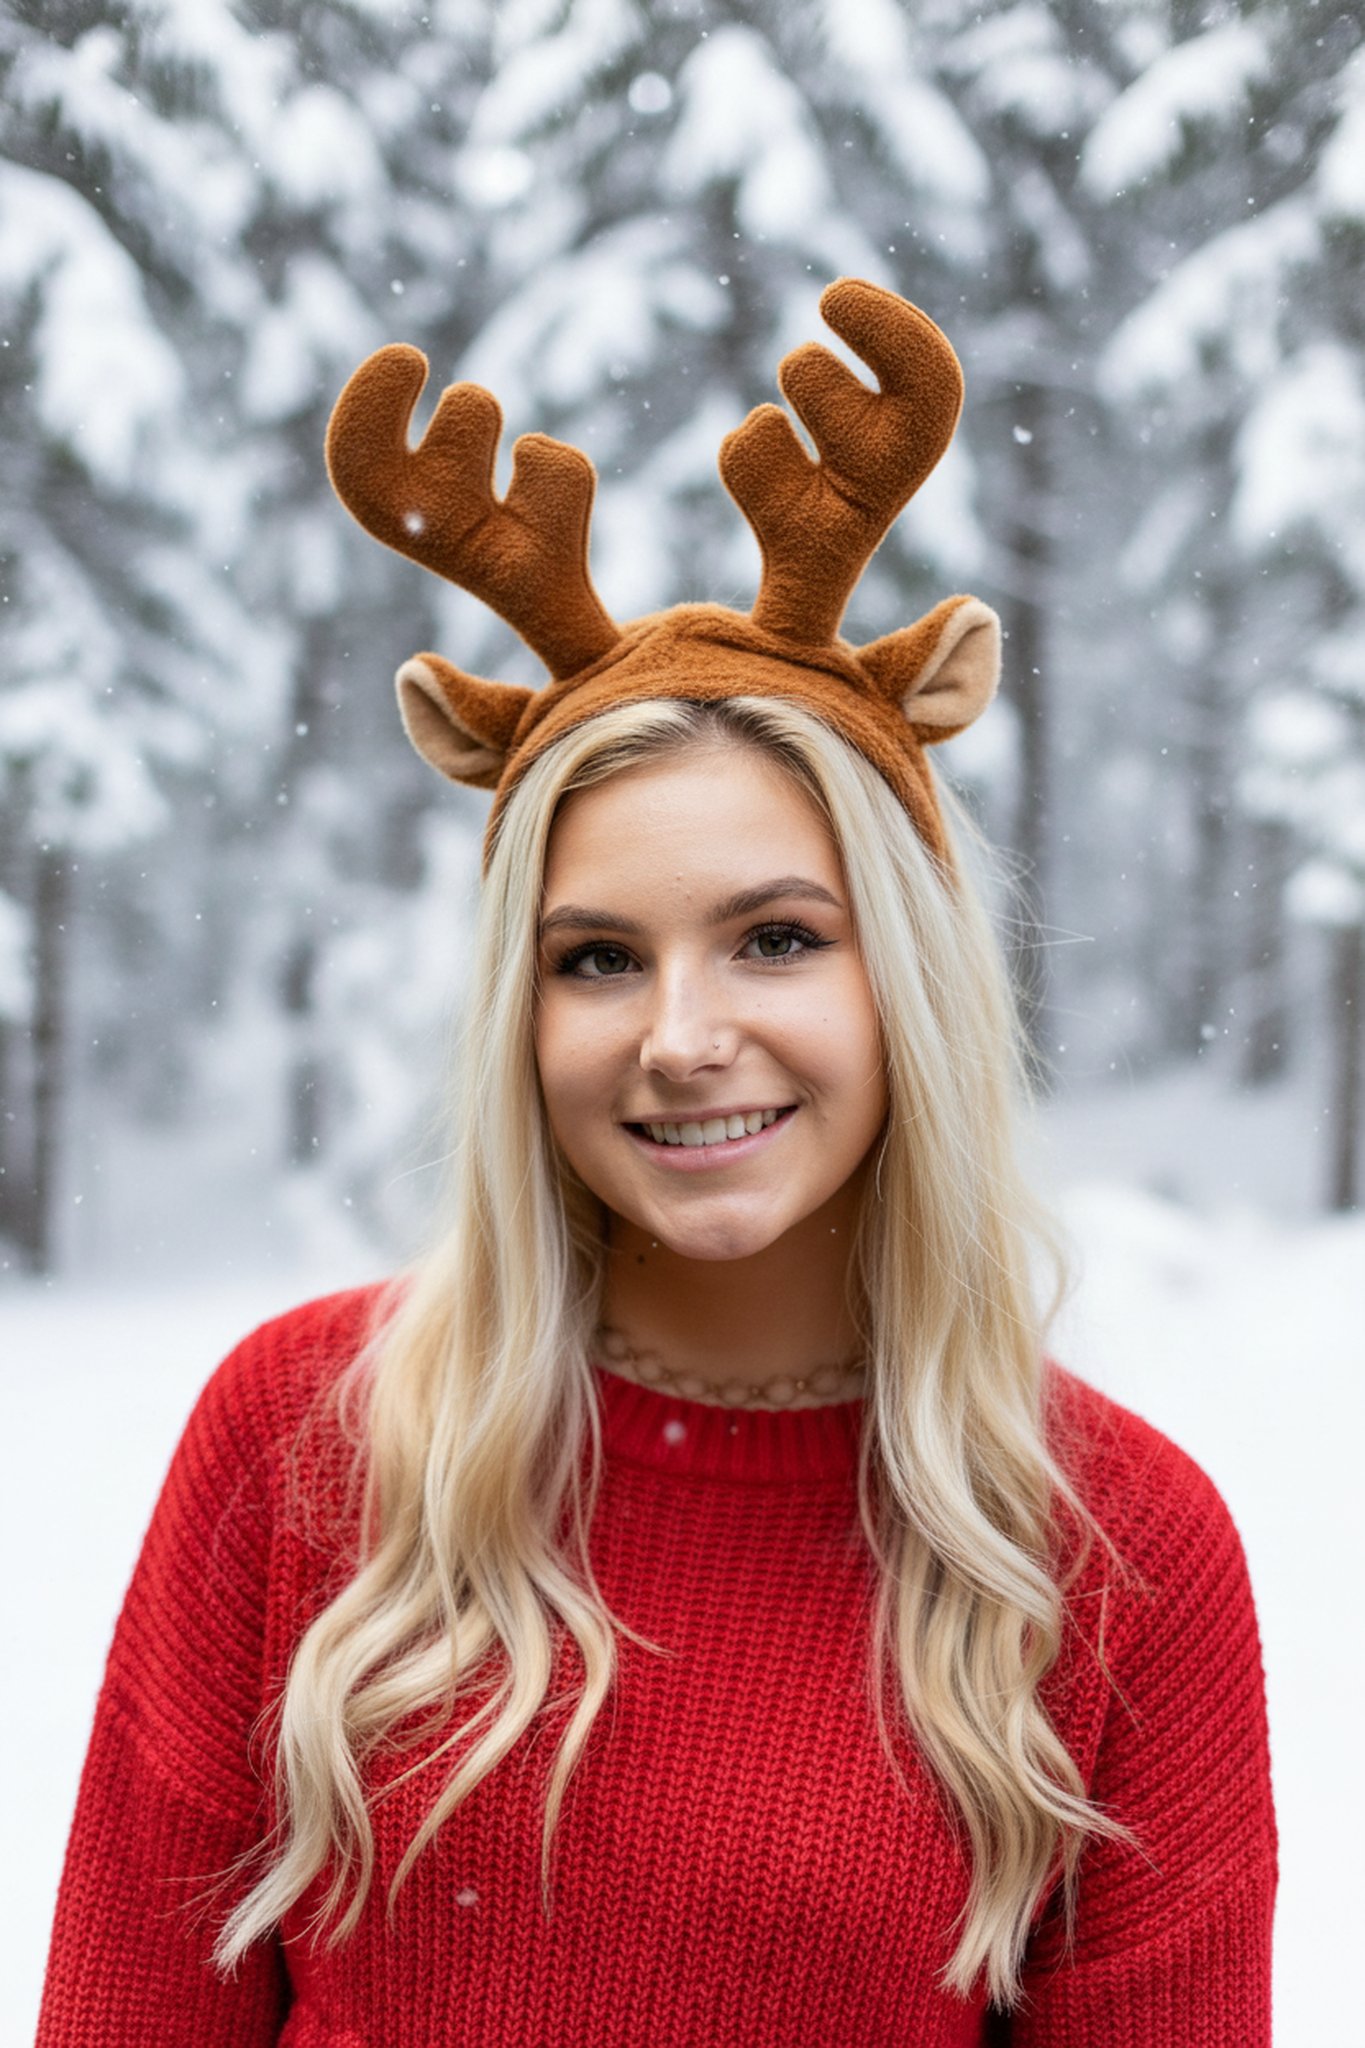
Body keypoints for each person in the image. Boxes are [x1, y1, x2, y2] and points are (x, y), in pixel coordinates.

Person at [37, 280, 1276, 2046]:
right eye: (596, 958)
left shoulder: (1115, 1555)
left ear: (903, 976)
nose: (679, 1035)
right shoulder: (305, 1439)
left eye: (775, 938)